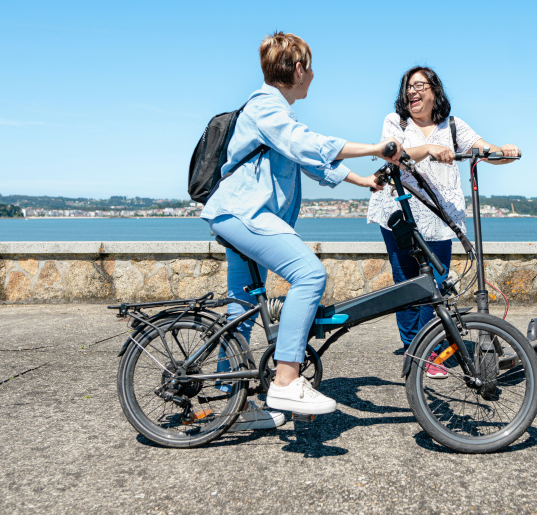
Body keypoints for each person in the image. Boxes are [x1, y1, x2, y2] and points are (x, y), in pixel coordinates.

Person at [201, 32, 401, 426]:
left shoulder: (274, 111)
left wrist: (363, 181)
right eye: (309, 66)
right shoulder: (264, 107)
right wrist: (374, 148)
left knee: (240, 306)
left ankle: (232, 398)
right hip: (245, 214)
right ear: (297, 69)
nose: (313, 74)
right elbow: (304, 144)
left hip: (238, 214)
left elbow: (310, 161)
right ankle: (287, 379)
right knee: (309, 274)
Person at [367, 66, 519, 377]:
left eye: (420, 85)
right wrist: (428, 149)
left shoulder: (452, 126)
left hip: (440, 217)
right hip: (400, 215)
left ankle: (429, 350)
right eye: (408, 86)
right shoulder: (395, 122)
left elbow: (481, 149)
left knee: (435, 286)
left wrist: (503, 152)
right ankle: (415, 350)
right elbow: (392, 154)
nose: (413, 91)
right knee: (407, 285)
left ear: (435, 90)